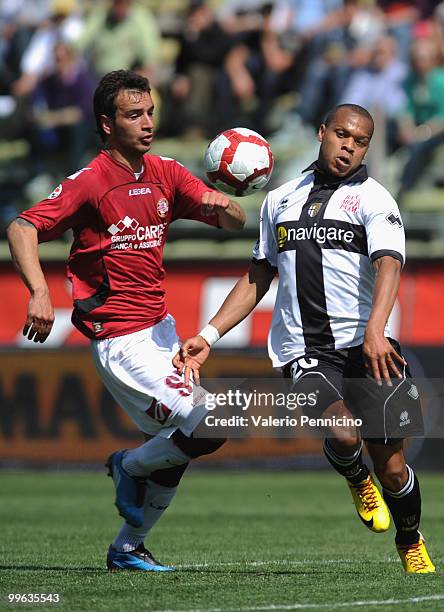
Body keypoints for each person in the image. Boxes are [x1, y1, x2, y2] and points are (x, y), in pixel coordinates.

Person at [174, 103, 436, 574]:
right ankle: (357, 478)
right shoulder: (280, 199)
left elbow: (390, 265)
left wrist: (376, 331)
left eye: (359, 141)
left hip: (367, 345)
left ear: (367, 148)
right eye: (341, 135)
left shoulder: (376, 199)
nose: (348, 146)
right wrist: (210, 334)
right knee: (341, 430)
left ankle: (410, 537)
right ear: (321, 133)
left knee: (393, 467)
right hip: (304, 349)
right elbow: (259, 274)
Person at [7, 69, 245, 571]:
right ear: (107, 124)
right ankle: (126, 466)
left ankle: (128, 547)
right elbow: (22, 226)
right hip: (121, 340)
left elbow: (231, 220)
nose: (146, 122)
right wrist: (38, 293)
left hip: (163, 332)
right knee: (212, 423)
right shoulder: (91, 181)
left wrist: (226, 201)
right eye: (133, 115)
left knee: (180, 447)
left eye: (150, 112)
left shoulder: (165, 172)